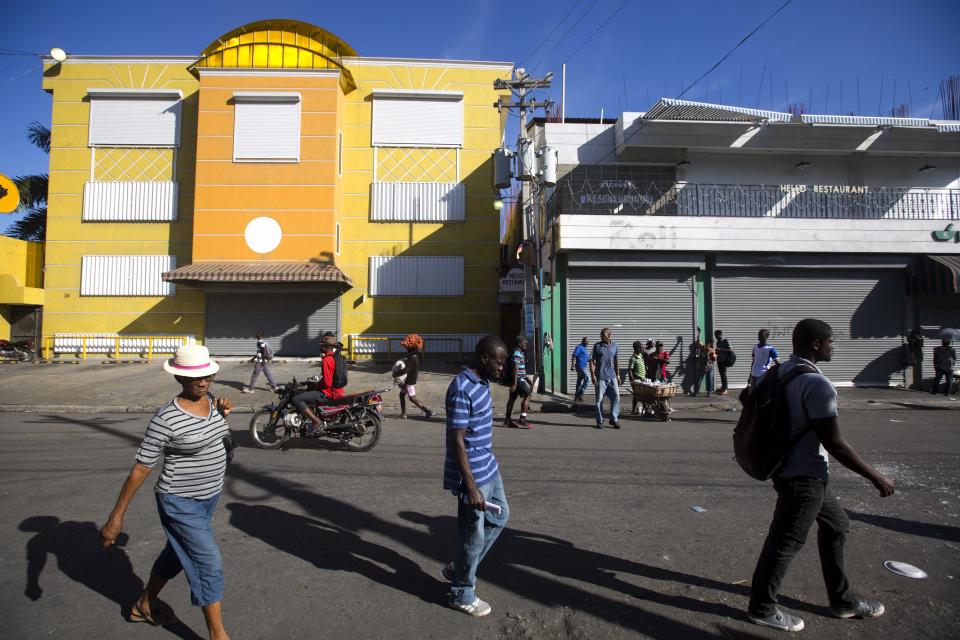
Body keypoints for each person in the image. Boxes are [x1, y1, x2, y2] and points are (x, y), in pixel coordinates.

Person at [747, 318, 895, 633]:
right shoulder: (816, 384)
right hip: (804, 477)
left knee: (837, 525)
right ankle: (762, 606)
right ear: (816, 344)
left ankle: (842, 601)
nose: (833, 346)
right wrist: (876, 477)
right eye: (830, 341)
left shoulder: (784, 370)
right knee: (785, 542)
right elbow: (835, 443)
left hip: (791, 470)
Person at [99, 344, 234, 640]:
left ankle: (143, 605)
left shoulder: (211, 401)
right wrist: (116, 516)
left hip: (208, 496)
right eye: (194, 378)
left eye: (206, 375)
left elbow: (210, 438)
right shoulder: (165, 418)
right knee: (207, 563)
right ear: (179, 378)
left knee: (177, 551)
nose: (202, 382)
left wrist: (223, 416)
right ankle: (218, 635)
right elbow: (141, 468)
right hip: (179, 501)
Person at [442, 335, 510, 617]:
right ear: (484, 358)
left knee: (501, 515)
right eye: (499, 361)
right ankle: (461, 592)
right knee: (473, 536)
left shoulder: (482, 383)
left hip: (489, 467)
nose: (502, 368)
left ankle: (460, 567)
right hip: (473, 475)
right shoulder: (461, 388)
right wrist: (469, 486)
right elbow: (457, 440)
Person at [292, 335, 344, 436]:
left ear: (325, 347)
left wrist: (316, 385)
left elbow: (327, 383)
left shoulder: (327, 360)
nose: (320, 348)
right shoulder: (335, 358)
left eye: (321, 346)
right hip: (338, 390)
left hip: (328, 393)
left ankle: (316, 421)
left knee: (297, 399)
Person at [589, 327, 620, 429]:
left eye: (604, 336)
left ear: (609, 336)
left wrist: (618, 375)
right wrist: (593, 375)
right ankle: (600, 421)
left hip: (612, 376)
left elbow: (616, 361)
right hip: (600, 377)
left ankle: (614, 419)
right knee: (599, 400)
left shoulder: (614, 346)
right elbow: (591, 361)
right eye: (601, 335)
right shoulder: (597, 346)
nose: (602, 337)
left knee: (616, 397)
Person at [398, 333, 433, 419]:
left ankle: (427, 411)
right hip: (408, 380)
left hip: (409, 381)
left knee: (412, 398)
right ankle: (403, 413)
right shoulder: (413, 357)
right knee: (402, 395)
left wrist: (396, 373)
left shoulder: (413, 358)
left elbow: (407, 370)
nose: (406, 349)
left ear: (411, 348)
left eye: (408, 348)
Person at [504, 335, 533, 429]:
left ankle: (507, 419)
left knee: (512, 399)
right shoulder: (517, 353)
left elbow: (520, 369)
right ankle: (522, 419)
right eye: (524, 343)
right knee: (527, 395)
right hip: (518, 380)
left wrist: (527, 379)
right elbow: (515, 368)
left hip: (519, 379)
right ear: (519, 343)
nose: (526, 345)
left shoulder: (520, 352)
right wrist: (514, 384)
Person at [242, 329, 277, 394]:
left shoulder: (260, 342)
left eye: (257, 333)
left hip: (261, 361)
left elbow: (264, 351)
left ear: (259, 335)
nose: (255, 334)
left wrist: (263, 360)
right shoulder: (262, 341)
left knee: (254, 375)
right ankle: (274, 387)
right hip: (263, 361)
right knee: (267, 374)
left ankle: (251, 389)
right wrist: (253, 358)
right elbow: (260, 352)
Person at [628, 340, 647, 415]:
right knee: (639, 395)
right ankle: (635, 410)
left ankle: (634, 410)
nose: (643, 348)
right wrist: (633, 380)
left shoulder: (640, 356)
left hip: (643, 379)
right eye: (641, 347)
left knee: (638, 395)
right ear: (637, 348)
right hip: (636, 379)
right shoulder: (633, 358)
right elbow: (630, 370)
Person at [571, 336, 590, 402]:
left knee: (579, 381)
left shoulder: (584, 349)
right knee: (588, 379)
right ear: (583, 341)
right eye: (587, 342)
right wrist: (572, 365)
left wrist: (592, 361)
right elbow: (574, 355)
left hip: (583, 366)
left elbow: (587, 358)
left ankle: (576, 397)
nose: (588, 343)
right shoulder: (579, 347)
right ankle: (580, 393)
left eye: (588, 342)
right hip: (580, 367)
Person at [715, 329, 733, 395]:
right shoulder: (718, 342)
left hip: (724, 360)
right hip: (719, 360)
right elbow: (718, 351)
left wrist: (720, 349)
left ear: (720, 335)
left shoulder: (725, 341)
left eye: (716, 335)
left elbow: (730, 349)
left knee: (723, 374)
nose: (716, 337)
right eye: (715, 336)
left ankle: (725, 389)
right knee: (721, 374)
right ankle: (723, 387)